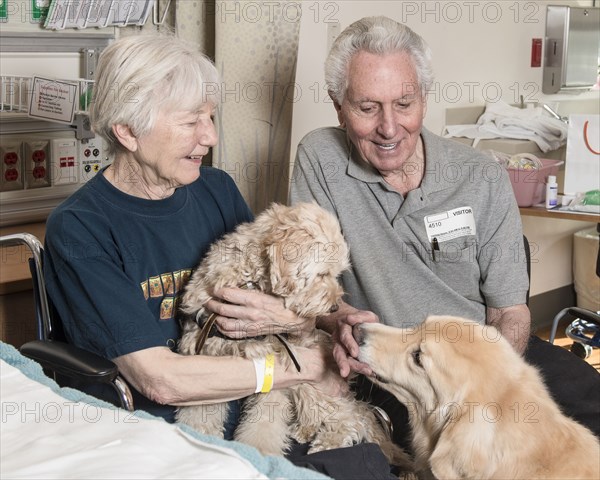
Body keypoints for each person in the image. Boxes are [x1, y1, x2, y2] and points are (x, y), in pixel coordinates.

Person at [43, 32, 400, 480]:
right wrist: (305, 366)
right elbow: (161, 380)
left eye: (211, 118)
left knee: (366, 467)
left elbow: (281, 292)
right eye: (192, 121)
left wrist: (334, 319)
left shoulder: (215, 189)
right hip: (167, 431)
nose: (210, 137)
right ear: (128, 130)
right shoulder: (81, 228)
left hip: (266, 412)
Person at [289, 16, 600, 447]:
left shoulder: (481, 177)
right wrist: (336, 318)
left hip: (479, 359)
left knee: (588, 405)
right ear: (337, 105)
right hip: (391, 368)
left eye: (404, 103)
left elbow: (509, 313)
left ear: (425, 97)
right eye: (367, 107)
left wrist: (487, 383)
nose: (389, 127)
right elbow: (310, 287)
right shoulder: (320, 158)